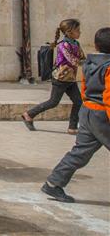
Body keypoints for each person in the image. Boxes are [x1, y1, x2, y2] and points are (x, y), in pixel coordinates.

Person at [42, 27, 110, 203]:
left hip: (87, 110)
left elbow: (85, 87)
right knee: (80, 152)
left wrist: (85, 106)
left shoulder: (89, 63)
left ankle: (53, 183)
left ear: (96, 45)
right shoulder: (108, 67)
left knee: (80, 152)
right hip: (103, 114)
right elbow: (109, 97)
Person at [23, 19, 85, 135]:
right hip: (60, 79)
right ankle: (29, 114)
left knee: (78, 102)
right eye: (77, 30)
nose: (79, 32)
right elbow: (73, 61)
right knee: (53, 102)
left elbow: (82, 57)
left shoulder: (76, 44)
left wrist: (89, 61)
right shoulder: (63, 45)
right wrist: (88, 63)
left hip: (70, 79)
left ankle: (72, 127)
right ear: (68, 32)